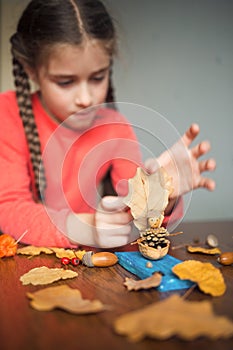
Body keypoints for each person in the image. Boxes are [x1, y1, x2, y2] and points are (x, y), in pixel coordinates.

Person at [0, 0, 216, 249]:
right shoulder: (7, 113)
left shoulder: (115, 127)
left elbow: (138, 215)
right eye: (65, 82)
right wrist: (85, 229)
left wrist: (160, 193)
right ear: (31, 70)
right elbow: (9, 207)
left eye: (97, 78)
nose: (85, 98)